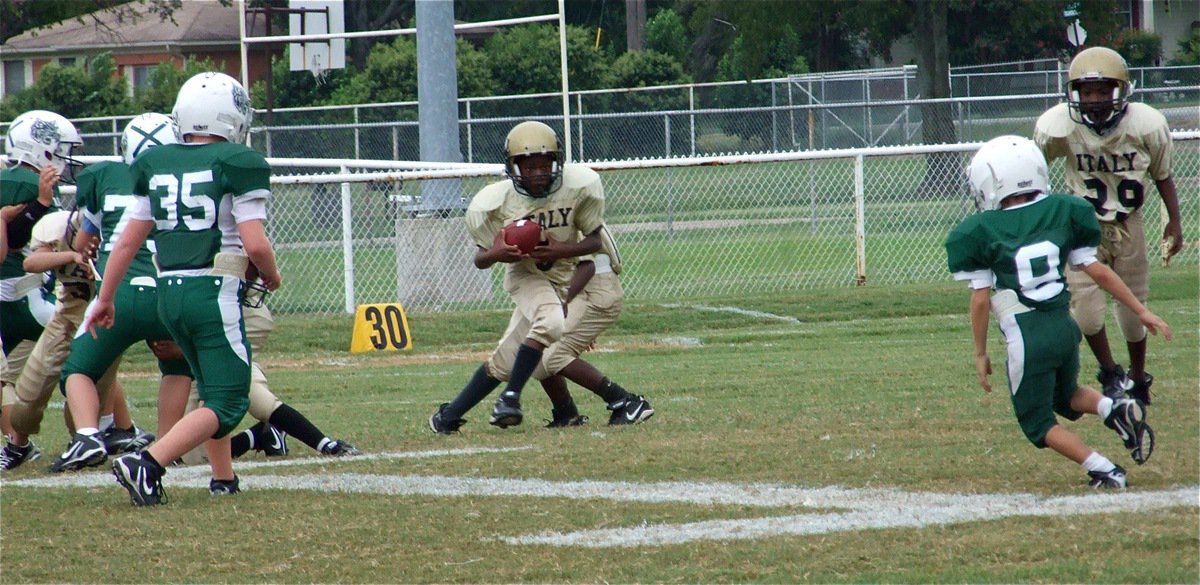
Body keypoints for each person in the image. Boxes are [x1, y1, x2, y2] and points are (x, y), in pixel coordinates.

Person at [86, 72, 281, 506]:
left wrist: (105, 298)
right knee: (229, 399)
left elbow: (128, 241)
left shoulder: (156, 163)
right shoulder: (238, 161)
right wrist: (271, 273)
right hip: (211, 291)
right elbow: (254, 242)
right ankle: (148, 462)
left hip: (167, 293)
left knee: (211, 387)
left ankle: (223, 477)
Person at [945, 135, 1171, 489]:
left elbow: (979, 299)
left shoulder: (978, 231)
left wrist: (980, 353)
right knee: (1065, 397)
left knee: (1037, 422)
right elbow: (1097, 270)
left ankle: (1103, 468)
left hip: (1027, 336)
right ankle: (1114, 409)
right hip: (1064, 327)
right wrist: (1140, 311)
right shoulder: (1064, 210)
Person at [428, 120, 608, 430]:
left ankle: (447, 417)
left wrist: (559, 250)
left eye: (544, 165)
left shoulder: (578, 188)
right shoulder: (496, 203)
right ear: (513, 168)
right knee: (551, 321)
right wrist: (496, 254)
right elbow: (480, 260)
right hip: (524, 276)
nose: (538, 173)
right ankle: (510, 397)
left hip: (560, 277)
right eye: (530, 167)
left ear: (557, 162)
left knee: (505, 359)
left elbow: (595, 241)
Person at [1034, 46, 1183, 405]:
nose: (1095, 99)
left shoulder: (1144, 125)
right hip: (1081, 228)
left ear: (1119, 91)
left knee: (1134, 312)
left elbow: (1162, 176)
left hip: (1128, 224)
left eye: (1103, 91)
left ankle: (1137, 376)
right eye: (1087, 92)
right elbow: (1035, 170)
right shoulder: (1059, 127)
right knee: (1086, 313)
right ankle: (1110, 373)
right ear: (1075, 94)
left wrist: (1175, 221)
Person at [54, 113, 190, 473]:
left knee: (78, 369)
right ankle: (166, 445)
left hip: (122, 291)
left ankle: (87, 435)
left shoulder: (103, 175)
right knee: (178, 365)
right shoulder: (182, 179)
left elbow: (83, 244)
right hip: (169, 292)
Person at [430, 227, 653, 433]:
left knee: (551, 357)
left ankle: (627, 401)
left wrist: (566, 308)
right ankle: (450, 416)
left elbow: (587, 265)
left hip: (587, 289)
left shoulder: (558, 207)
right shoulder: (515, 206)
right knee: (518, 352)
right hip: (555, 287)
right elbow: (481, 258)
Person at [0, 110, 81, 470]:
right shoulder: (20, 183)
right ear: (41, 149)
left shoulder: (20, 182)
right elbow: (14, 243)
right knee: (88, 356)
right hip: (25, 296)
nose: (64, 159)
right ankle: (111, 428)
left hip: (20, 296)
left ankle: (16, 444)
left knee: (9, 380)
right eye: (59, 150)